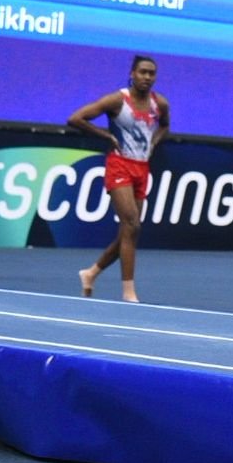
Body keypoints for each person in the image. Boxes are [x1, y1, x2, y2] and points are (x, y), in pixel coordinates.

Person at [68, 54, 170, 302]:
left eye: (151, 73)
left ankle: (91, 273)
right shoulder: (117, 100)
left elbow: (165, 126)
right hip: (119, 165)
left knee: (130, 231)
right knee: (132, 225)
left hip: (141, 169)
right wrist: (105, 136)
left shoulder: (160, 104)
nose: (147, 77)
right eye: (142, 72)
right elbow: (75, 119)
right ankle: (128, 292)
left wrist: (154, 143)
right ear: (132, 74)